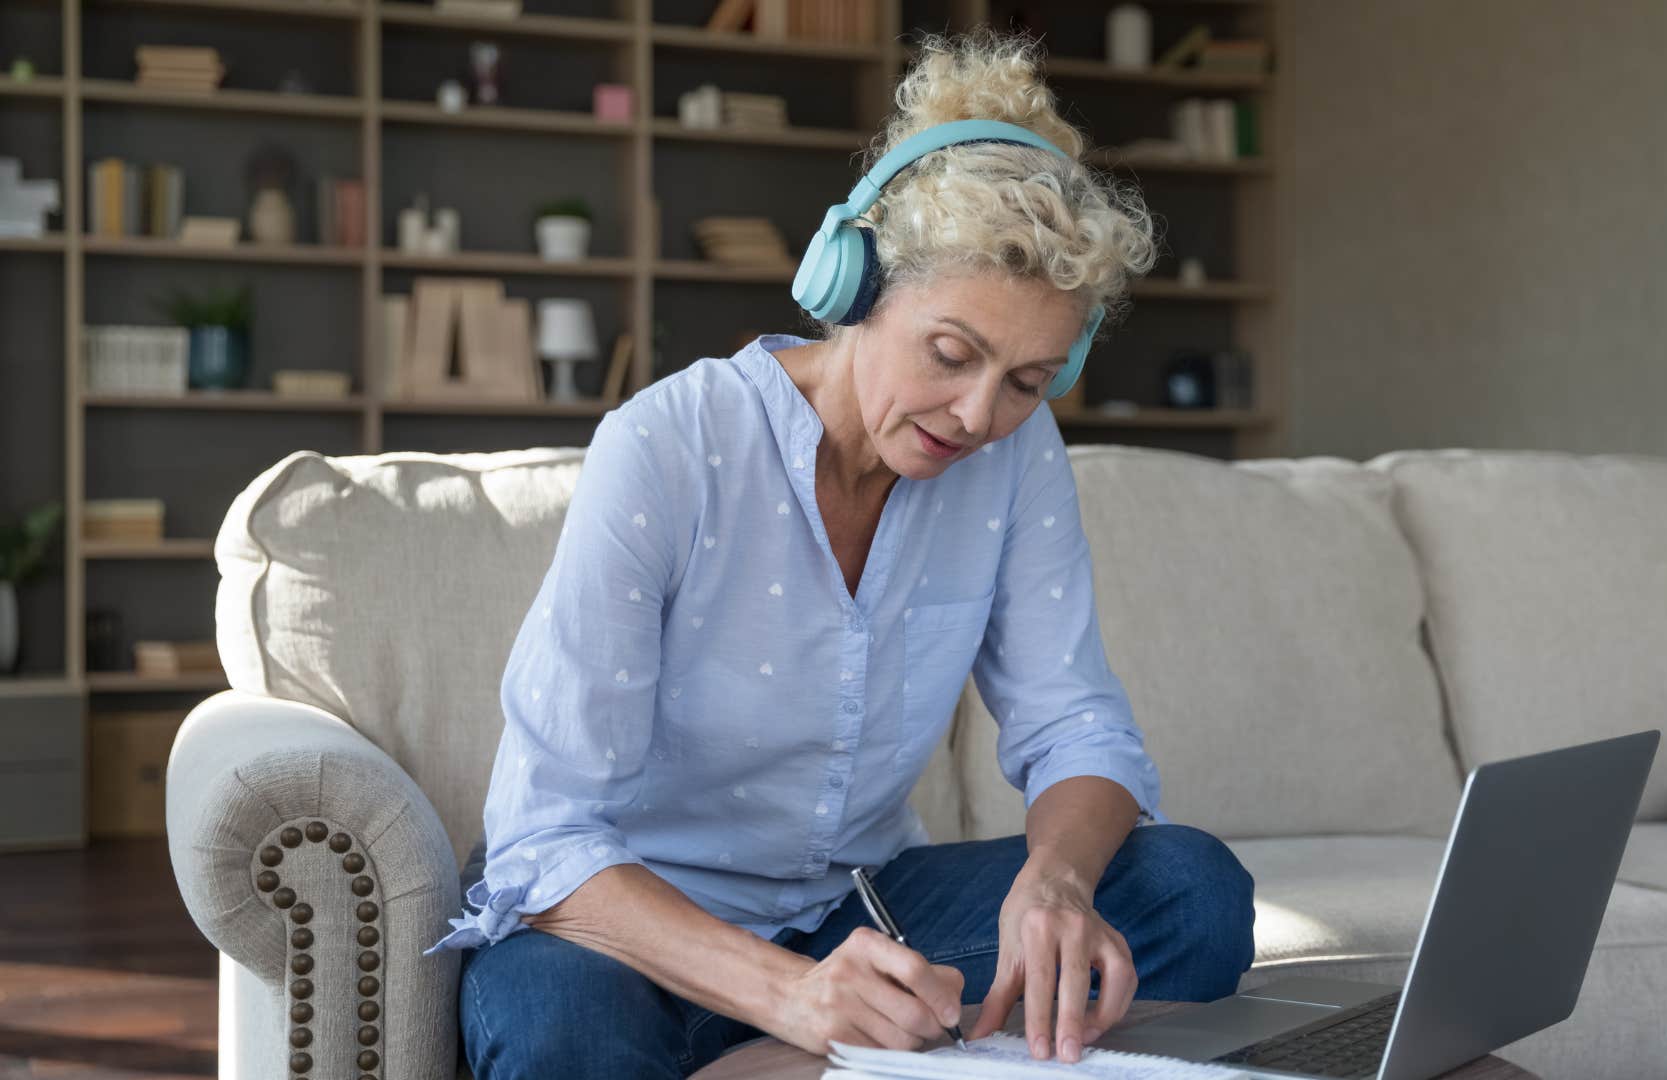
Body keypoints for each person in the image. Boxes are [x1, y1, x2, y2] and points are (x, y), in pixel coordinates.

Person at [434, 28, 1256, 1079]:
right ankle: (802, 1050)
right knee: (566, 1039)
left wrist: (1056, 880)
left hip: (852, 919)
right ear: (858, 284)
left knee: (1189, 889)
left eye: (1027, 380)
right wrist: (790, 996)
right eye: (952, 353)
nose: (976, 416)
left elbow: (1076, 724)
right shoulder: (669, 446)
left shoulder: (1017, 458)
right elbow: (542, 843)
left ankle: (795, 1059)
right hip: (624, 932)